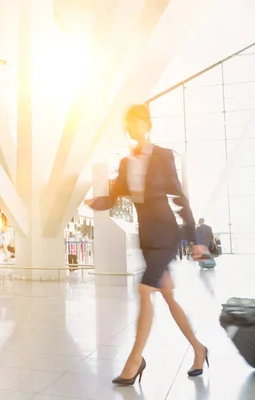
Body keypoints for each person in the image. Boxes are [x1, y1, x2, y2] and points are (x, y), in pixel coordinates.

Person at [85, 104, 211, 386]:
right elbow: (116, 195)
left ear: (146, 123)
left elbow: (179, 196)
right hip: (147, 238)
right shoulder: (126, 162)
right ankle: (199, 349)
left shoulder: (163, 155)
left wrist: (195, 240)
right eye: (127, 123)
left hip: (166, 233)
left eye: (133, 121)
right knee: (167, 297)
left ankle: (135, 360)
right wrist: (97, 202)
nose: (129, 127)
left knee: (144, 290)